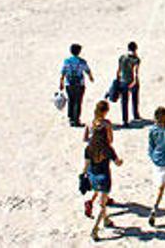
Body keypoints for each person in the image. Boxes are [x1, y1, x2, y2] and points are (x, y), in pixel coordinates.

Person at [83, 101, 124, 240]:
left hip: (92, 170)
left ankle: (106, 220)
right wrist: (118, 160)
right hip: (104, 172)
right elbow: (111, 142)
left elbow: (85, 139)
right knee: (103, 202)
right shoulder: (107, 127)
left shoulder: (89, 127)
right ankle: (95, 229)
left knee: (100, 194)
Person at [60, 44, 94, 127]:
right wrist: (91, 78)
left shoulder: (67, 61)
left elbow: (63, 72)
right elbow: (87, 70)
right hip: (79, 84)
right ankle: (76, 120)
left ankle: (71, 119)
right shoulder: (82, 61)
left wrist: (61, 83)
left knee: (71, 101)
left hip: (69, 84)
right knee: (78, 102)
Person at [117, 42, 141, 125]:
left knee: (124, 101)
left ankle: (125, 120)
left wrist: (118, 80)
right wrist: (134, 81)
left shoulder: (122, 57)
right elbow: (135, 71)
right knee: (135, 98)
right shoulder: (136, 59)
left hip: (123, 81)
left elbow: (119, 70)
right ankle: (135, 114)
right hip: (132, 81)